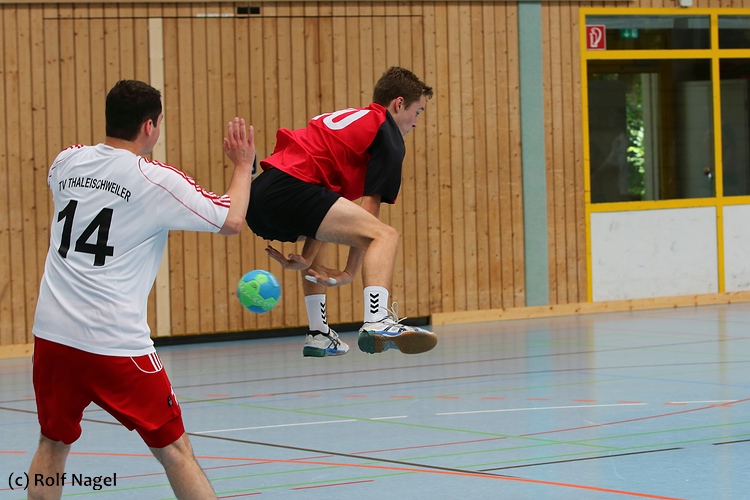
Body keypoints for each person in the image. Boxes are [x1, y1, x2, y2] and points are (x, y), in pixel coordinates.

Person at [27, 80, 255, 499]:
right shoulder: (154, 179)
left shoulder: (66, 161)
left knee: (53, 441)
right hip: (114, 343)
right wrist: (243, 166)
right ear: (149, 126)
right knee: (176, 451)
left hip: (53, 335)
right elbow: (231, 220)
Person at [246, 66, 437, 357]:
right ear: (399, 104)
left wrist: (307, 256)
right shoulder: (386, 131)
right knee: (385, 236)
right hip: (292, 189)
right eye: (418, 112)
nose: (416, 123)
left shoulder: (354, 123)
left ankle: (318, 332)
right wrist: (349, 272)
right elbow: (369, 213)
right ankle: (377, 320)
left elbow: (323, 207)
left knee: (330, 231)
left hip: (260, 195)